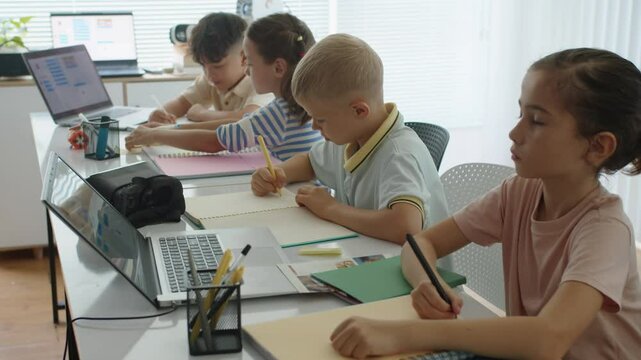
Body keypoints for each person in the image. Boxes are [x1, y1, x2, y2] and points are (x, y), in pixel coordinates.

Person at [330, 48, 641, 359]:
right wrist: (429, 284)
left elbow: (549, 339)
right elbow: (420, 243)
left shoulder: (605, 230)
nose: (515, 133)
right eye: (521, 114)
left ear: (598, 146)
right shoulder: (520, 192)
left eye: (536, 121)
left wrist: (402, 335)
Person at [251, 34, 448, 244]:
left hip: (420, 273)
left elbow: (405, 227)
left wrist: (332, 208)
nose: (314, 126)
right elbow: (310, 162)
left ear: (359, 111)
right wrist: (280, 174)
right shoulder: (351, 136)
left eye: (321, 119)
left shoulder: (398, 155)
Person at [126, 13, 322, 160]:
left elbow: (213, 142)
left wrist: (155, 134)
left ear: (278, 67)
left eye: (251, 64)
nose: (247, 71)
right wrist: (172, 128)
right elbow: (235, 127)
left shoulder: (279, 113)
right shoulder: (298, 104)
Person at [145, 12, 272, 125]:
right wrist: (160, 114)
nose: (209, 74)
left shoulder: (260, 81)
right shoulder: (210, 80)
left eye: (218, 66)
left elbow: (248, 118)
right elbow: (181, 103)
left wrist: (202, 114)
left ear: (244, 56)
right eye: (203, 66)